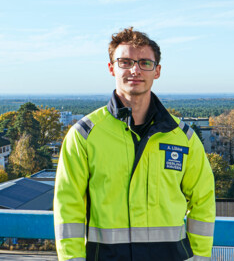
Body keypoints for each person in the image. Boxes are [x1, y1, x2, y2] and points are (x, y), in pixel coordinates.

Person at [54, 27, 215, 261]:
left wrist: (200, 258)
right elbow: (68, 208)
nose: (135, 70)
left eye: (144, 63)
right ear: (111, 68)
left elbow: (203, 201)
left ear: (157, 71)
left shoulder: (183, 137)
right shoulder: (84, 135)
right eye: (125, 62)